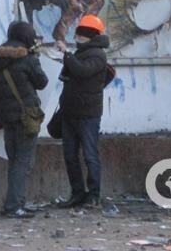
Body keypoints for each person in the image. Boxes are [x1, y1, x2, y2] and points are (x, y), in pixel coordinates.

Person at [0, 21, 49, 218]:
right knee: (23, 161)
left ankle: (16, 202)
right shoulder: (28, 59)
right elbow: (42, 82)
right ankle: (14, 206)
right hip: (25, 116)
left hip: (6, 115)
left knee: (14, 160)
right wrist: (35, 59)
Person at [55, 14, 113, 208]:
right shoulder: (81, 52)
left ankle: (93, 195)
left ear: (89, 36)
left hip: (88, 114)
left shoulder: (98, 55)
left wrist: (66, 54)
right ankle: (77, 193)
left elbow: (81, 71)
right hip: (70, 112)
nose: (76, 37)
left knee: (90, 155)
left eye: (80, 34)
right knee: (70, 156)